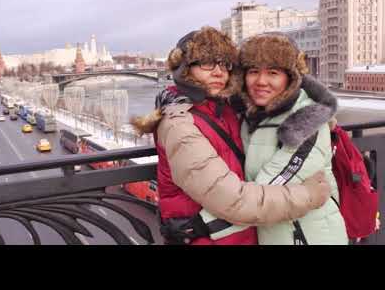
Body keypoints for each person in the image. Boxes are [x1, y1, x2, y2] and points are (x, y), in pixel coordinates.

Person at [132, 27, 331, 245]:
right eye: (207, 63)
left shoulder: (225, 110)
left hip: (238, 235)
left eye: (224, 64)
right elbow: (235, 201)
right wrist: (309, 196)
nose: (219, 72)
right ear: (184, 69)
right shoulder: (179, 125)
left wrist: (315, 112)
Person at [236, 33, 348, 245]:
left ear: (291, 77)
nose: (261, 81)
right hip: (273, 233)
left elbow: (266, 189)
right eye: (253, 71)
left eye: (273, 72)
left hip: (309, 236)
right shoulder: (249, 117)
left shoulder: (307, 119)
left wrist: (203, 222)